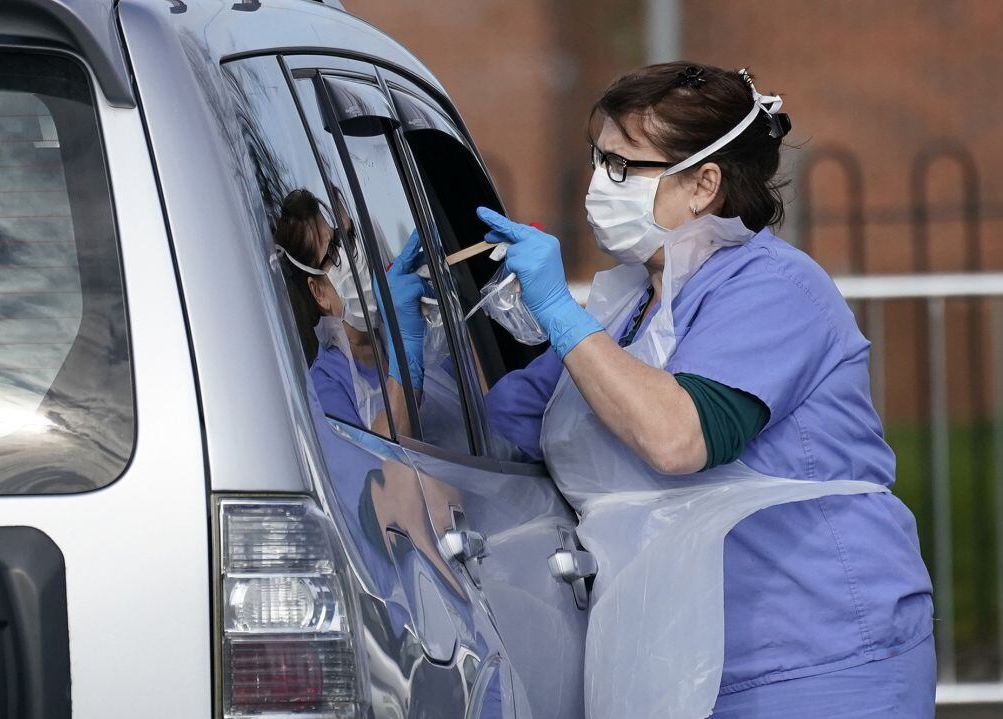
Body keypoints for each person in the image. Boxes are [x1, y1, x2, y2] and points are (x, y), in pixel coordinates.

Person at [477, 63, 934, 717]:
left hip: (815, 658)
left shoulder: (775, 287)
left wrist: (558, 309)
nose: (597, 185)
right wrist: (396, 338)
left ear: (703, 185)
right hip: (680, 664)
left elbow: (678, 438)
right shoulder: (626, 308)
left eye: (621, 166)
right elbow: (491, 433)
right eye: (595, 159)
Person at [274, 188, 425, 437]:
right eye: (334, 249)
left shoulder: (400, 327)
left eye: (349, 237)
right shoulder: (325, 387)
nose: (354, 255)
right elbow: (380, 469)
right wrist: (408, 361)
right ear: (319, 293)